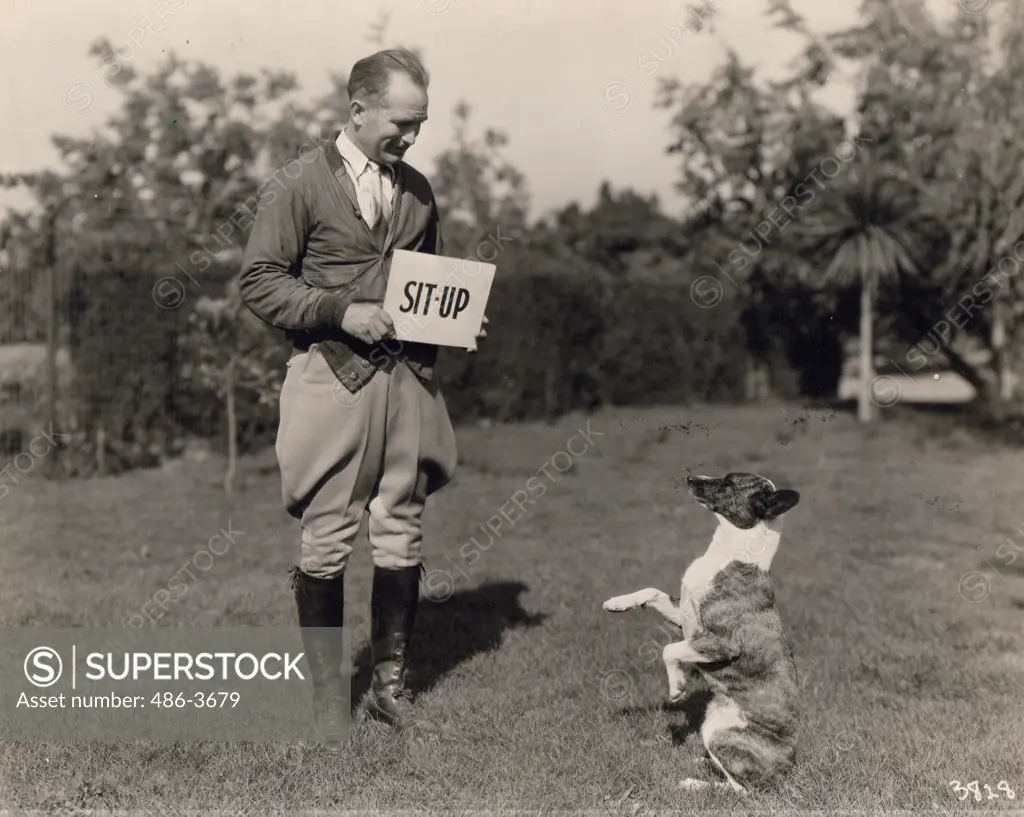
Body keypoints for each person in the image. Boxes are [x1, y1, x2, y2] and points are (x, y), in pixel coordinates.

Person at [238, 48, 484, 749]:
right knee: (327, 535)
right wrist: (340, 310)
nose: (411, 137)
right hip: (331, 373)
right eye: (402, 122)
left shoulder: (420, 190)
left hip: (406, 380)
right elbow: (258, 281)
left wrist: (456, 317)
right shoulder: (296, 184)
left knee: (401, 526)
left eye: (420, 124)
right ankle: (325, 701)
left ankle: (388, 686)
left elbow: (424, 282)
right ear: (358, 108)